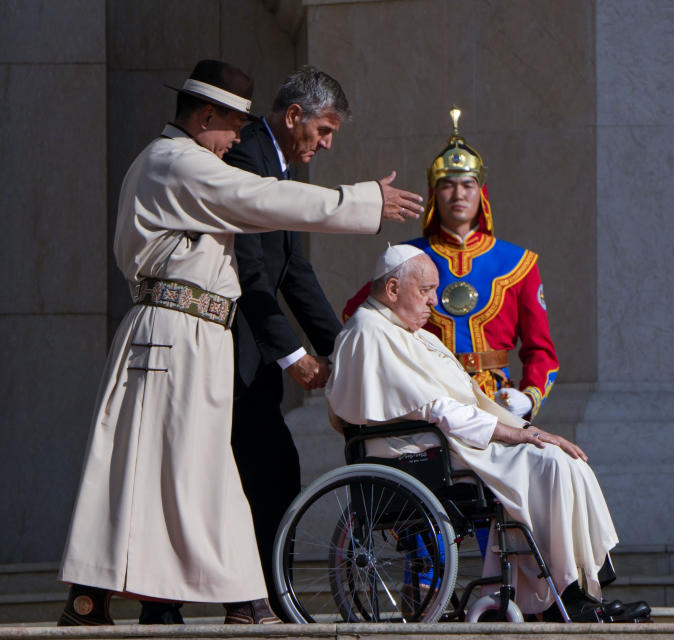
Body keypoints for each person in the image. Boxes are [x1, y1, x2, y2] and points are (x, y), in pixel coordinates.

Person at [57, 59, 423, 627]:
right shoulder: (178, 162)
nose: (237, 140)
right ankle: (242, 602)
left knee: (163, 469)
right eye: (231, 126)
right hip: (172, 335)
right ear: (205, 117)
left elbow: (285, 260)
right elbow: (264, 201)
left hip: (186, 336)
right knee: (184, 469)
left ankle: (104, 600)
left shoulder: (181, 162)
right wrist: (363, 200)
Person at [326, 245, 650, 622]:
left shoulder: (410, 331)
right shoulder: (370, 330)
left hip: (445, 441)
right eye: (426, 290)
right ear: (394, 289)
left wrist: (531, 430)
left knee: (563, 459)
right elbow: (435, 408)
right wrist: (515, 436)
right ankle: (566, 597)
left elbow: (470, 398)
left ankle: (583, 587)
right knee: (547, 466)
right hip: (421, 449)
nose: (435, 300)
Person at [220, 66, 351, 620]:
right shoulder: (248, 159)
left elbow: (295, 273)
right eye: (322, 131)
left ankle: (266, 597)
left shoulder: (281, 170)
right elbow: (251, 272)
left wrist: (346, 348)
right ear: (293, 115)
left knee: (270, 469)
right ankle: (259, 599)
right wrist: (296, 357)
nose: (323, 145)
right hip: (227, 346)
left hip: (255, 350)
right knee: (257, 469)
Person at [343, 108, 558, 421]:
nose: (458, 194)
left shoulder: (519, 263)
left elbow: (541, 351)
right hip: (429, 398)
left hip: (496, 402)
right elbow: (357, 315)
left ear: (481, 192)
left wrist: (529, 398)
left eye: (467, 184)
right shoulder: (406, 258)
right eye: (447, 185)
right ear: (433, 194)